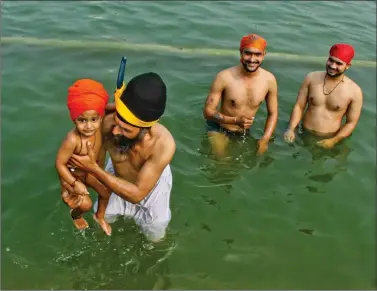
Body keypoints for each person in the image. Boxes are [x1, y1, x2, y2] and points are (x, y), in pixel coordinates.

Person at [65, 72, 176, 243]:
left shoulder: (163, 145)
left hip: (152, 190)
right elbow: (94, 163)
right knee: (100, 220)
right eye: (116, 122)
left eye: (125, 129)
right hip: (115, 176)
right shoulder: (108, 123)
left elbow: (137, 194)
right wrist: (76, 187)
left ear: (145, 129)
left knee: (155, 238)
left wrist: (91, 168)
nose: (115, 131)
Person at [203, 33, 278, 158]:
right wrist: (235, 120)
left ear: (264, 55)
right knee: (223, 162)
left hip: (245, 131)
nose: (252, 59)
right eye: (248, 53)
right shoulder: (224, 77)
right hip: (219, 127)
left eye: (258, 54)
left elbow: (273, 113)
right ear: (241, 53)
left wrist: (265, 139)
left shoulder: (269, 80)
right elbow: (207, 112)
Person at [55, 79, 112, 235]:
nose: (88, 126)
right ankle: (75, 215)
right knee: (85, 204)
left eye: (94, 119)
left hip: (87, 172)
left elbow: (107, 108)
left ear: (100, 117)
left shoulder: (99, 126)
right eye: (82, 120)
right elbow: (59, 164)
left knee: (106, 192)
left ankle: (99, 216)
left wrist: (118, 105)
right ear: (74, 119)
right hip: (71, 176)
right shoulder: (73, 139)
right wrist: (73, 184)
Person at [284, 43, 363, 148]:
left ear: (348, 66)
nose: (332, 66)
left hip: (330, 137)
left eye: (339, 63)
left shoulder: (354, 91)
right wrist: (290, 129)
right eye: (331, 60)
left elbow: (351, 123)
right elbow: (299, 106)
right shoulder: (311, 78)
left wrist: (333, 141)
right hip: (303, 131)